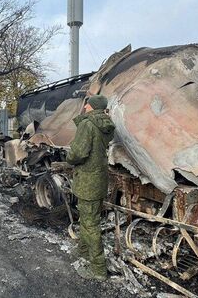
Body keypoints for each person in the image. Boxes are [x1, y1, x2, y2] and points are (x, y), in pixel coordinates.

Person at [66, 95, 116, 281]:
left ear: (91, 106)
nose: (84, 106)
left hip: (87, 180)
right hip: (98, 179)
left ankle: (98, 269)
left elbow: (78, 153)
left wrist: (69, 158)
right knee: (88, 217)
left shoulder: (88, 124)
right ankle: (83, 249)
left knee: (91, 223)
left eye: (87, 104)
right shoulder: (106, 124)